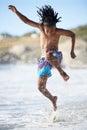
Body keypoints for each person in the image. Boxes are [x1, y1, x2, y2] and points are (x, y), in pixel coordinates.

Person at [8, 5, 76, 111]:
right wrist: (16, 12)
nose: (50, 32)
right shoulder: (40, 27)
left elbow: (72, 34)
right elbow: (26, 21)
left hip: (56, 55)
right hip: (44, 59)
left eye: (52, 30)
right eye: (47, 30)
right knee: (40, 87)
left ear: (55, 26)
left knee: (49, 54)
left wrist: (72, 51)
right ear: (43, 26)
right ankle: (53, 99)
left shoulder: (58, 31)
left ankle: (62, 72)